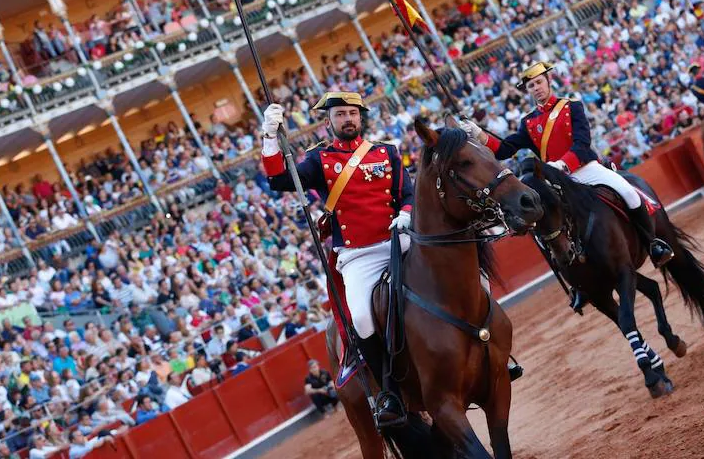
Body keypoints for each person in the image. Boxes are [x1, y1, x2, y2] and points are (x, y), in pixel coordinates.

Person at [461, 62, 674, 311]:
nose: (536, 88)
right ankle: (575, 283)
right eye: (531, 86)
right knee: (542, 229)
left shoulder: (571, 106)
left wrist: (564, 163)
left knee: (628, 191)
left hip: (585, 169)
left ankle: (653, 244)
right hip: (555, 181)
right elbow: (506, 149)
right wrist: (478, 134)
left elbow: (583, 143)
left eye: (539, 82)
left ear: (549, 81)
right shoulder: (528, 122)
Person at [260, 91, 412, 428]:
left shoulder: (386, 152)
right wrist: (270, 136)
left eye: (352, 114)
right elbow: (280, 181)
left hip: (398, 240)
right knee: (361, 318)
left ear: (361, 118)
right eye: (340, 114)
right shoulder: (319, 161)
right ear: (329, 121)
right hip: (359, 255)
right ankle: (390, 392)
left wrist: (406, 212)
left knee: (460, 267)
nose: (347, 119)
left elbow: (408, 193)